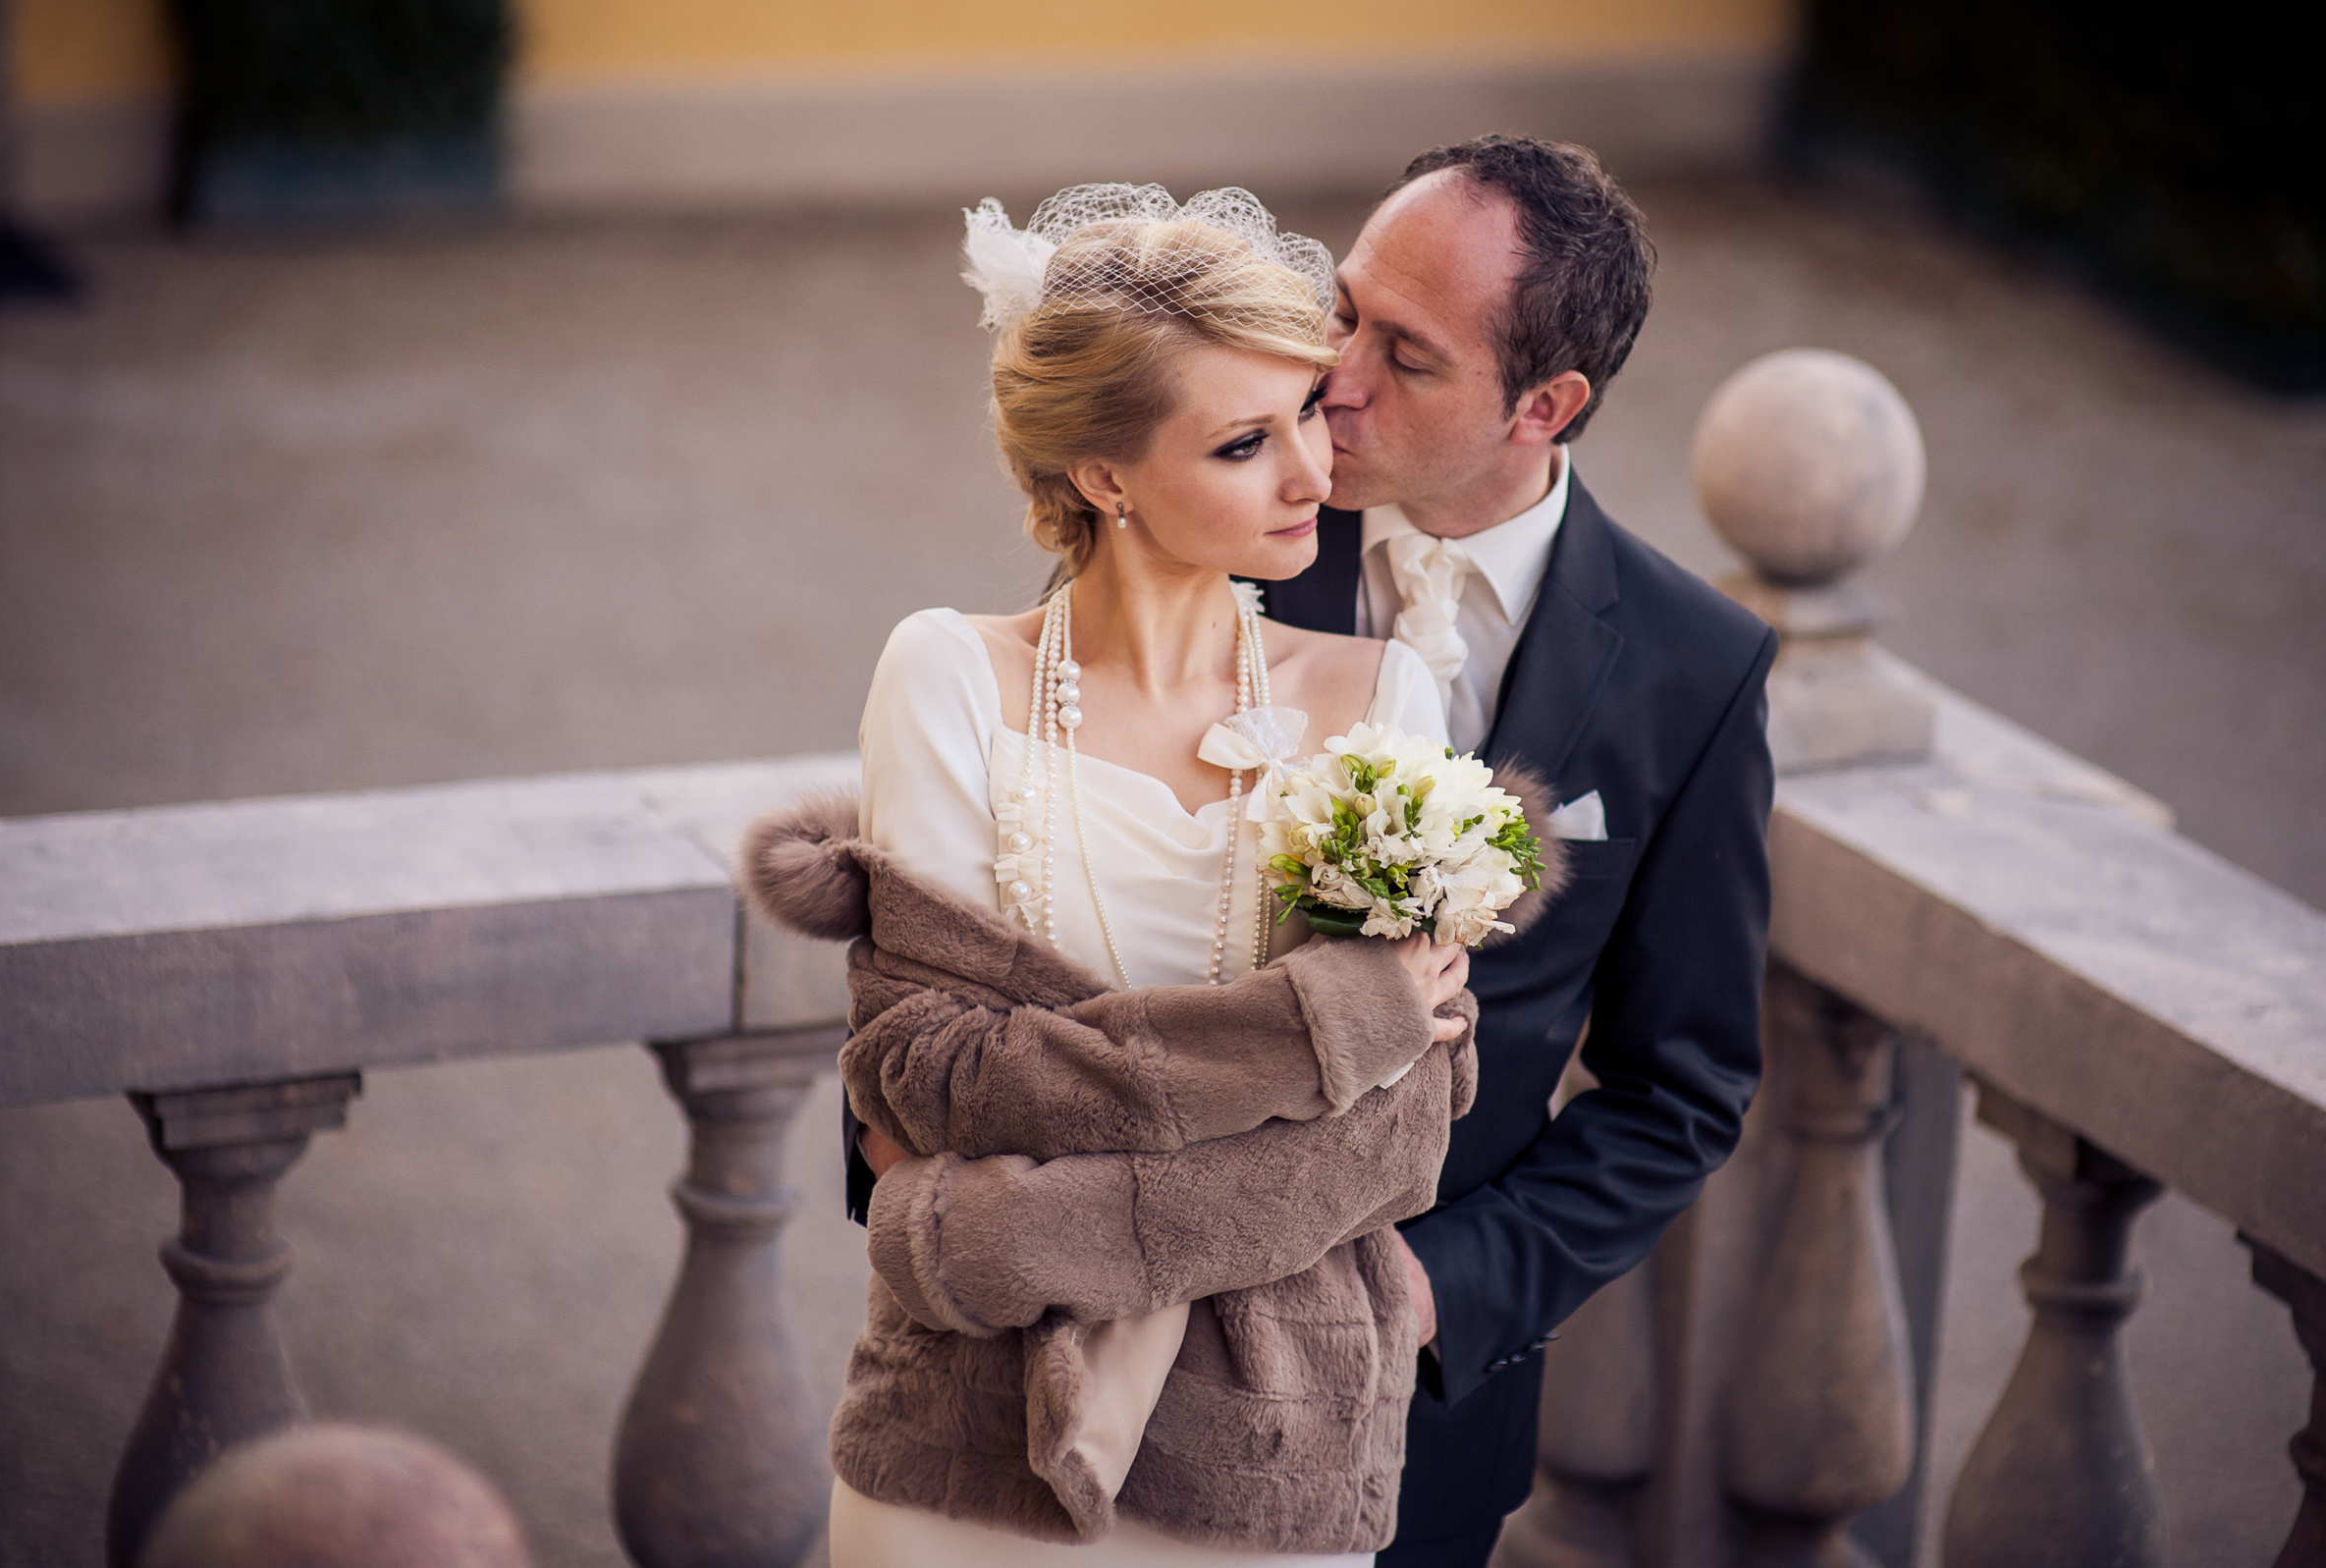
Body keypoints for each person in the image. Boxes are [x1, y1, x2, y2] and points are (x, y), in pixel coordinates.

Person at [757, 186, 1564, 1567]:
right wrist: (1328, 1029)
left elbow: (1399, 1129)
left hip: (1272, 1448)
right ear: (1105, 476)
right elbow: (929, 1072)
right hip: (966, 1443)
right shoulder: (949, 676)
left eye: (1311, 410)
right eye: (1247, 442)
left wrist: (1003, 1227)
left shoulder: (1387, 697)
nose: (1315, 472)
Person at [1254, 135, 1777, 1566]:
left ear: (1545, 405)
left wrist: (1441, 1290)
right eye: (1341, 307)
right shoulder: (1205, 525)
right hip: (1110, 1336)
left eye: (1405, 355)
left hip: (1413, 1416)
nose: (1334, 378)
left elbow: (1683, 1085)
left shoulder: (1694, 667)